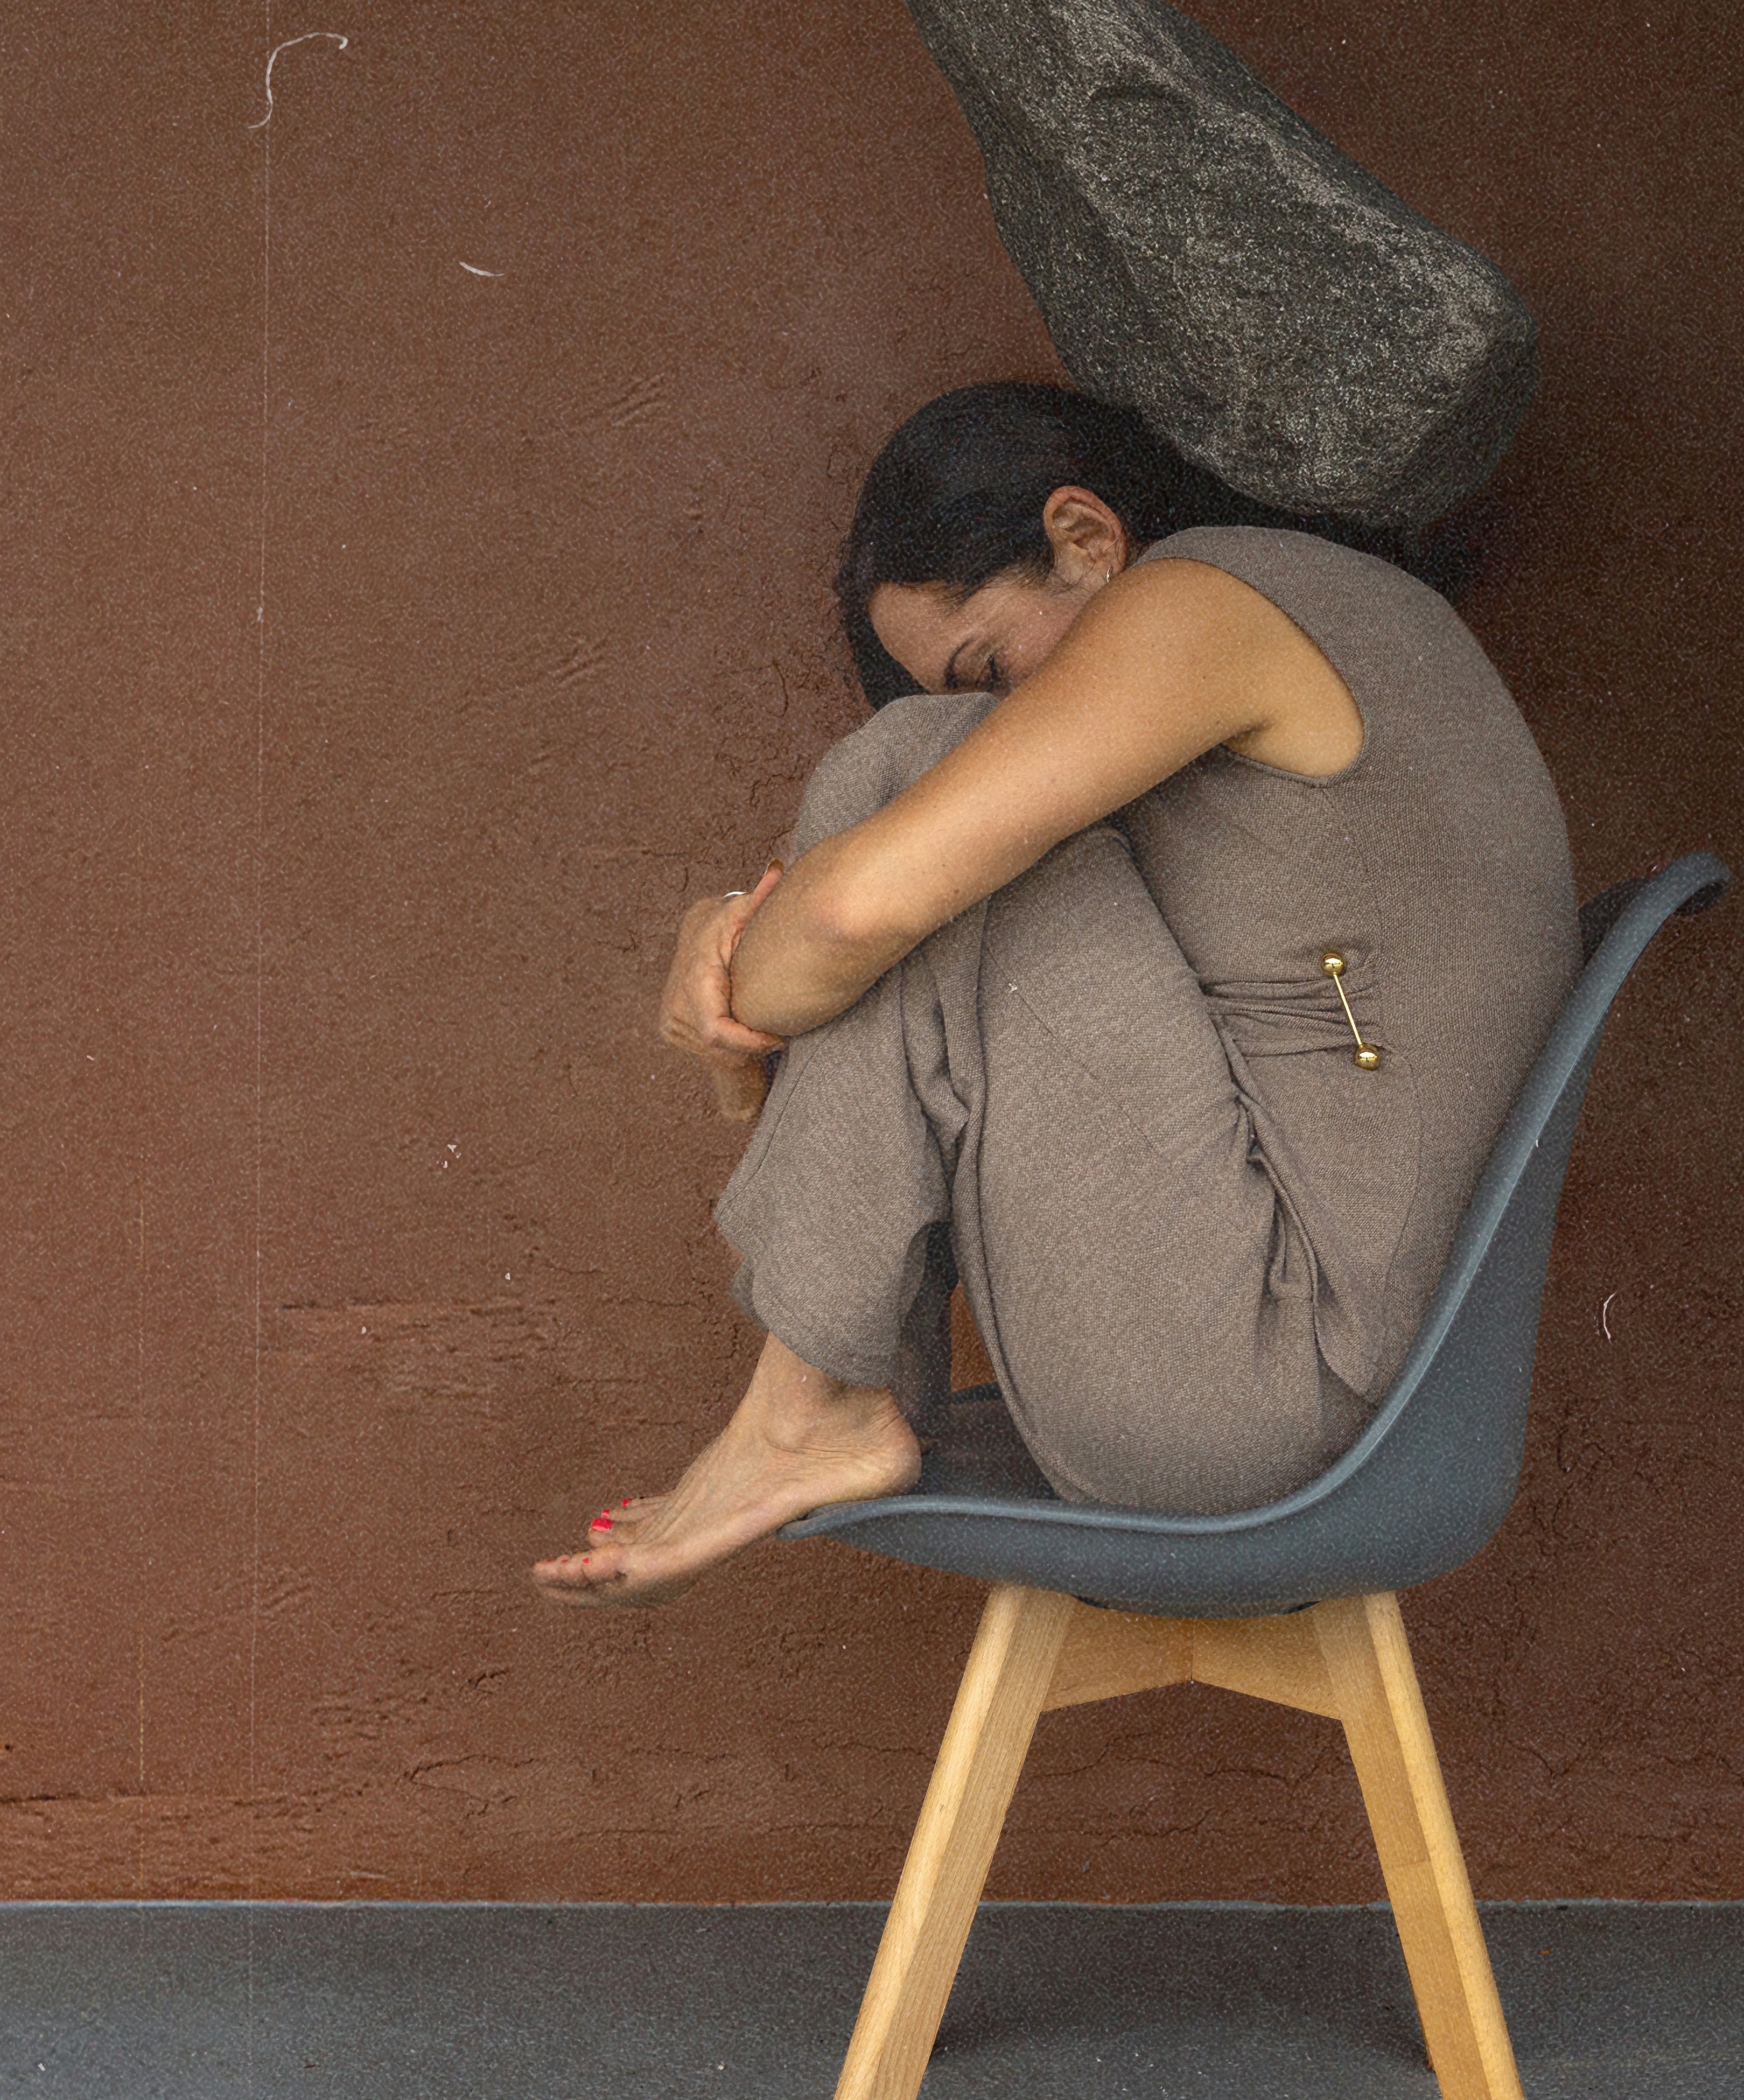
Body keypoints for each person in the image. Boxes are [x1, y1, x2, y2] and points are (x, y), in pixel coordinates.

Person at [533, 383, 1578, 1602]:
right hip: (1300, 1387)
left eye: (989, 663)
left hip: (1262, 1394)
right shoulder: (1342, 619)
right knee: (929, 829)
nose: (1006, 716)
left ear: (1086, 539)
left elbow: (840, 918)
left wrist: (714, 966)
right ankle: (817, 1395)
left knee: (914, 772)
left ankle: (808, 1400)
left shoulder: (1206, 605)